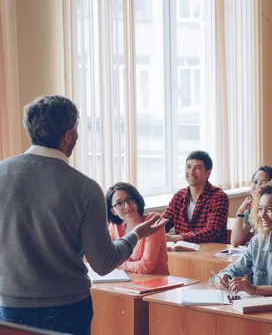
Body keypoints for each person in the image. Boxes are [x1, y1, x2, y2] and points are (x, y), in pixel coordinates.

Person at [0, 95, 168, 334]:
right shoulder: (85, 187)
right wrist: (136, 234)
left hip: (9, 305)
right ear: (70, 134)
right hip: (66, 307)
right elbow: (103, 263)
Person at [163, 151, 229, 243]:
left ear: (208, 173)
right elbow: (163, 224)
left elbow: (212, 231)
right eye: (188, 167)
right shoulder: (178, 196)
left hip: (211, 253)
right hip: (182, 252)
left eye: (197, 168)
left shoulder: (219, 197)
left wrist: (178, 238)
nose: (191, 172)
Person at [106, 182, 170, 275]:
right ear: (113, 211)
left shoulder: (153, 220)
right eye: (119, 203)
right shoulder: (114, 227)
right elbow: (110, 260)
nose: (127, 206)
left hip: (158, 284)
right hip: (128, 284)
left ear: (136, 200)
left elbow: (147, 266)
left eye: (130, 199)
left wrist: (119, 265)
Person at [230, 166, 272, 247]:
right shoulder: (251, 210)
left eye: (264, 183)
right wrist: (240, 211)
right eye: (255, 182)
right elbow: (235, 242)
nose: (257, 186)